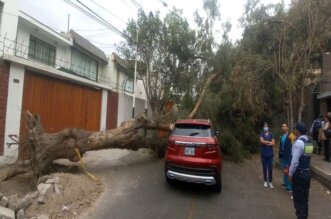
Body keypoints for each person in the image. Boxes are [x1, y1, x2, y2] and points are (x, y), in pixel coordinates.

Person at [289, 122, 313, 219]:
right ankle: (304, 216)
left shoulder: (299, 143)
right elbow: (307, 158)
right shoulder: (309, 141)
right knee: (304, 198)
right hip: (307, 173)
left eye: (295, 129)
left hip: (299, 174)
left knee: (298, 199)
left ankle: (301, 217)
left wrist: (290, 174)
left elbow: (295, 161)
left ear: (297, 131)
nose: (294, 131)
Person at [279, 123, 295, 192]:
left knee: (288, 170)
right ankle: (285, 183)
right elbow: (280, 146)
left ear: (288, 128)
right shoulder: (281, 136)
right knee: (285, 170)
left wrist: (292, 155)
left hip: (289, 156)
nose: (283, 128)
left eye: (285, 126)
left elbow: (294, 144)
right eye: (282, 126)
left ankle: (290, 186)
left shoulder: (291, 135)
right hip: (283, 155)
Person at [259, 123, 275, 189]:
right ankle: (265, 181)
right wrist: (269, 142)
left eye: (266, 126)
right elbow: (261, 141)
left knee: (270, 168)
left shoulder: (271, 134)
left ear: (268, 127)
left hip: (270, 155)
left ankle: (270, 182)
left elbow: (274, 143)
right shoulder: (261, 133)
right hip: (263, 154)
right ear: (263, 128)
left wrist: (270, 143)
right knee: (264, 168)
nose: (265, 127)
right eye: (264, 126)